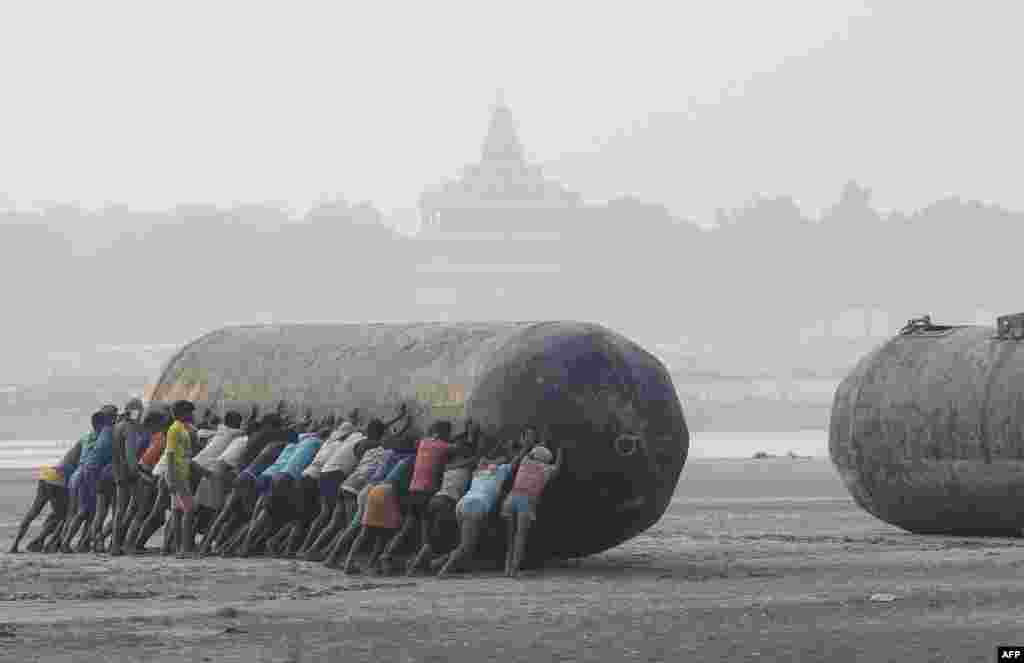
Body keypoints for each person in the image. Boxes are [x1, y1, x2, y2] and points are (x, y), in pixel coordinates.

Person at [377, 419, 472, 573]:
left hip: (413, 490)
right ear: (443, 433)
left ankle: (387, 555)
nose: (449, 436)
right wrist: (469, 432)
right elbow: (460, 448)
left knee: (408, 527)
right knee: (425, 530)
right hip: (426, 492)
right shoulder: (442, 445)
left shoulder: (423, 443)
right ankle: (418, 563)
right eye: (448, 433)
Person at [322, 406, 409, 568]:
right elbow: (393, 439)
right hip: (359, 489)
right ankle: (337, 558)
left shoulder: (367, 446)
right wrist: (400, 424)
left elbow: (383, 432)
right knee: (355, 527)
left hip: (346, 484)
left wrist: (398, 420)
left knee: (344, 525)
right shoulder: (386, 451)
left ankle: (331, 555)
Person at [437, 434, 532, 578]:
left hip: (463, 504)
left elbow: (485, 458)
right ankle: (442, 570)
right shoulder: (501, 471)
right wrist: (526, 446)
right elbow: (516, 459)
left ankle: (440, 562)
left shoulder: (479, 471)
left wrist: (499, 446)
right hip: (476, 506)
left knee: (467, 544)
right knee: (466, 547)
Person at [406, 424, 481, 575]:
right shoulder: (468, 466)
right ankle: (417, 566)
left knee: (432, 537)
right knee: (437, 540)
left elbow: (460, 449)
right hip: (447, 503)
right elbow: (472, 455)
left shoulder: (448, 465)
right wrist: (473, 437)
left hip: (434, 499)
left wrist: (468, 432)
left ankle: (427, 564)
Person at [342, 439, 417, 575]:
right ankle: (377, 564)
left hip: (375, 489)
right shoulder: (411, 459)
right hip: (387, 492)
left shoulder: (394, 456)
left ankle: (349, 562)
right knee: (387, 533)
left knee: (365, 531)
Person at [299, 417, 367, 559]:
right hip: (335, 476)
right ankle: (320, 551)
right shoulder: (358, 441)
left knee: (329, 517)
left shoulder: (335, 441)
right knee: (336, 520)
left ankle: (311, 549)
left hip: (324, 474)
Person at [501, 428, 565, 577]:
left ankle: (506, 567)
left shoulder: (525, 461)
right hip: (526, 501)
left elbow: (533, 451)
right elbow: (558, 468)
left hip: (511, 499)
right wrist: (561, 451)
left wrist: (538, 440)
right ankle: (514, 570)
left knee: (510, 537)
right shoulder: (546, 469)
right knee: (520, 537)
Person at [8, 437, 82, 553]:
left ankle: (15, 545)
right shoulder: (92, 443)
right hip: (60, 480)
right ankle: (48, 542)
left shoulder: (83, 440)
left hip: (47, 474)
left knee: (33, 512)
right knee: (65, 515)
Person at [61, 410, 114, 553]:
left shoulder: (97, 435)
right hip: (91, 474)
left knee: (86, 511)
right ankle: (77, 542)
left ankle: (75, 543)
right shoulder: (108, 432)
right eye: (113, 415)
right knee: (89, 512)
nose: (116, 417)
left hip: (85, 472)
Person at [125, 405, 173, 553]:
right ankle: (132, 545)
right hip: (147, 480)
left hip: (148, 478)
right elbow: (143, 464)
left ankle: (134, 544)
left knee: (154, 517)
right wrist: (149, 480)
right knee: (143, 513)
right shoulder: (160, 439)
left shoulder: (156, 437)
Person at [189, 410, 245, 536]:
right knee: (214, 510)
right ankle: (204, 543)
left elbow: (202, 432)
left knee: (198, 510)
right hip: (206, 471)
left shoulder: (220, 431)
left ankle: (185, 542)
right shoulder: (234, 433)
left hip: (198, 467)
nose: (240, 425)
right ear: (234, 422)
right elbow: (247, 432)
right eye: (239, 422)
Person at [107, 398, 147, 555]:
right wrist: (137, 472)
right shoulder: (129, 428)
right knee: (138, 508)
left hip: (117, 471)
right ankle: (127, 544)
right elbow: (130, 454)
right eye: (140, 410)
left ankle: (116, 545)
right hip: (128, 472)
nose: (141, 413)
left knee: (120, 509)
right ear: (135, 411)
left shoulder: (117, 426)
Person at [163, 400, 197, 557]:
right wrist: (170, 478)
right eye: (189, 412)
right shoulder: (175, 429)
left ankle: (178, 549)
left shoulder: (181, 429)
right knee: (189, 509)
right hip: (177, 474)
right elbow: (169, 454)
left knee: (177, 511)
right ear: (183, 413)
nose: (191, 415)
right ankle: (184, 549)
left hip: (180, 473)